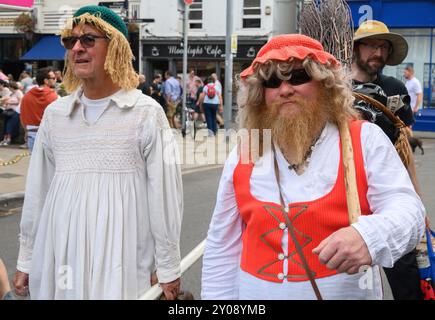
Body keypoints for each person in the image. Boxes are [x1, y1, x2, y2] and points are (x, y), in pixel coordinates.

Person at [201, 34, 425, 300]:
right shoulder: (247, 150)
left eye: (298, 77)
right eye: (272, 82)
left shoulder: (364, 139)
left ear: (325, 85)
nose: (285, 90)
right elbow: (221, 246)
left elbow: (408, 210)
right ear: (261, 94)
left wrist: (370, 236)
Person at [13, 5, 183, 300]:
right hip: (62, 254)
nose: (77, 48)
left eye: (89, 39)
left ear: (116, 46)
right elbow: (38, 190)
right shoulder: (56, 115)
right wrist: (27, 258)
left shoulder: (146, 113)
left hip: (123, 257)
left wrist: (167, 265)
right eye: (71, 41)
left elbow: (164, 195)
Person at [352, 19, 423, 300]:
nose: (378, 53)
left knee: (406, 274)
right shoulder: (334, 87)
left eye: (383, 47)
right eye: (372, 45)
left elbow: (403, 146)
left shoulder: (395, 88)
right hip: (349, 192)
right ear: (357, 48)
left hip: (389, 194)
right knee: (353, 278)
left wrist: (417, 203)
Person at [19, 67, 58, 152]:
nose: (56, 80)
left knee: (35, 164)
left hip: (31, 133)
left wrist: (26, 131)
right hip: (49, 135)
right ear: (46, 81)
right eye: (53, 78)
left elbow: (21, 115)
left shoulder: (27, 96)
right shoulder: (54, 96)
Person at [0, 81, 23, 146]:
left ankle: (8, 139)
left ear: (12, 87)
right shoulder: (12, 93)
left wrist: (9, 103)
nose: (9, 89)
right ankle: (5, 139)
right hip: (8, 111)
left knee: (9, 124)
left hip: (15, 111)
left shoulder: (18, 92)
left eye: (9, 87)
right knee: (6, 124)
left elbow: (20, 102)